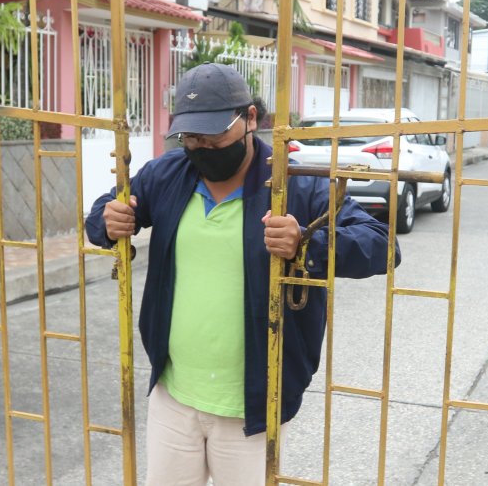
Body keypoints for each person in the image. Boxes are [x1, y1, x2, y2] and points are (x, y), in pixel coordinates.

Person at [85, 63, 397, 485]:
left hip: (253, 404)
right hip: (173, 395)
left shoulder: (294, 184)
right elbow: (108, 210)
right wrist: (107, 222)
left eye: (215, 136)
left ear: (251, 119)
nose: (202, 147)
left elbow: (382, 243)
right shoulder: (168, 174)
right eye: (192, 137)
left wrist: (306, 244)